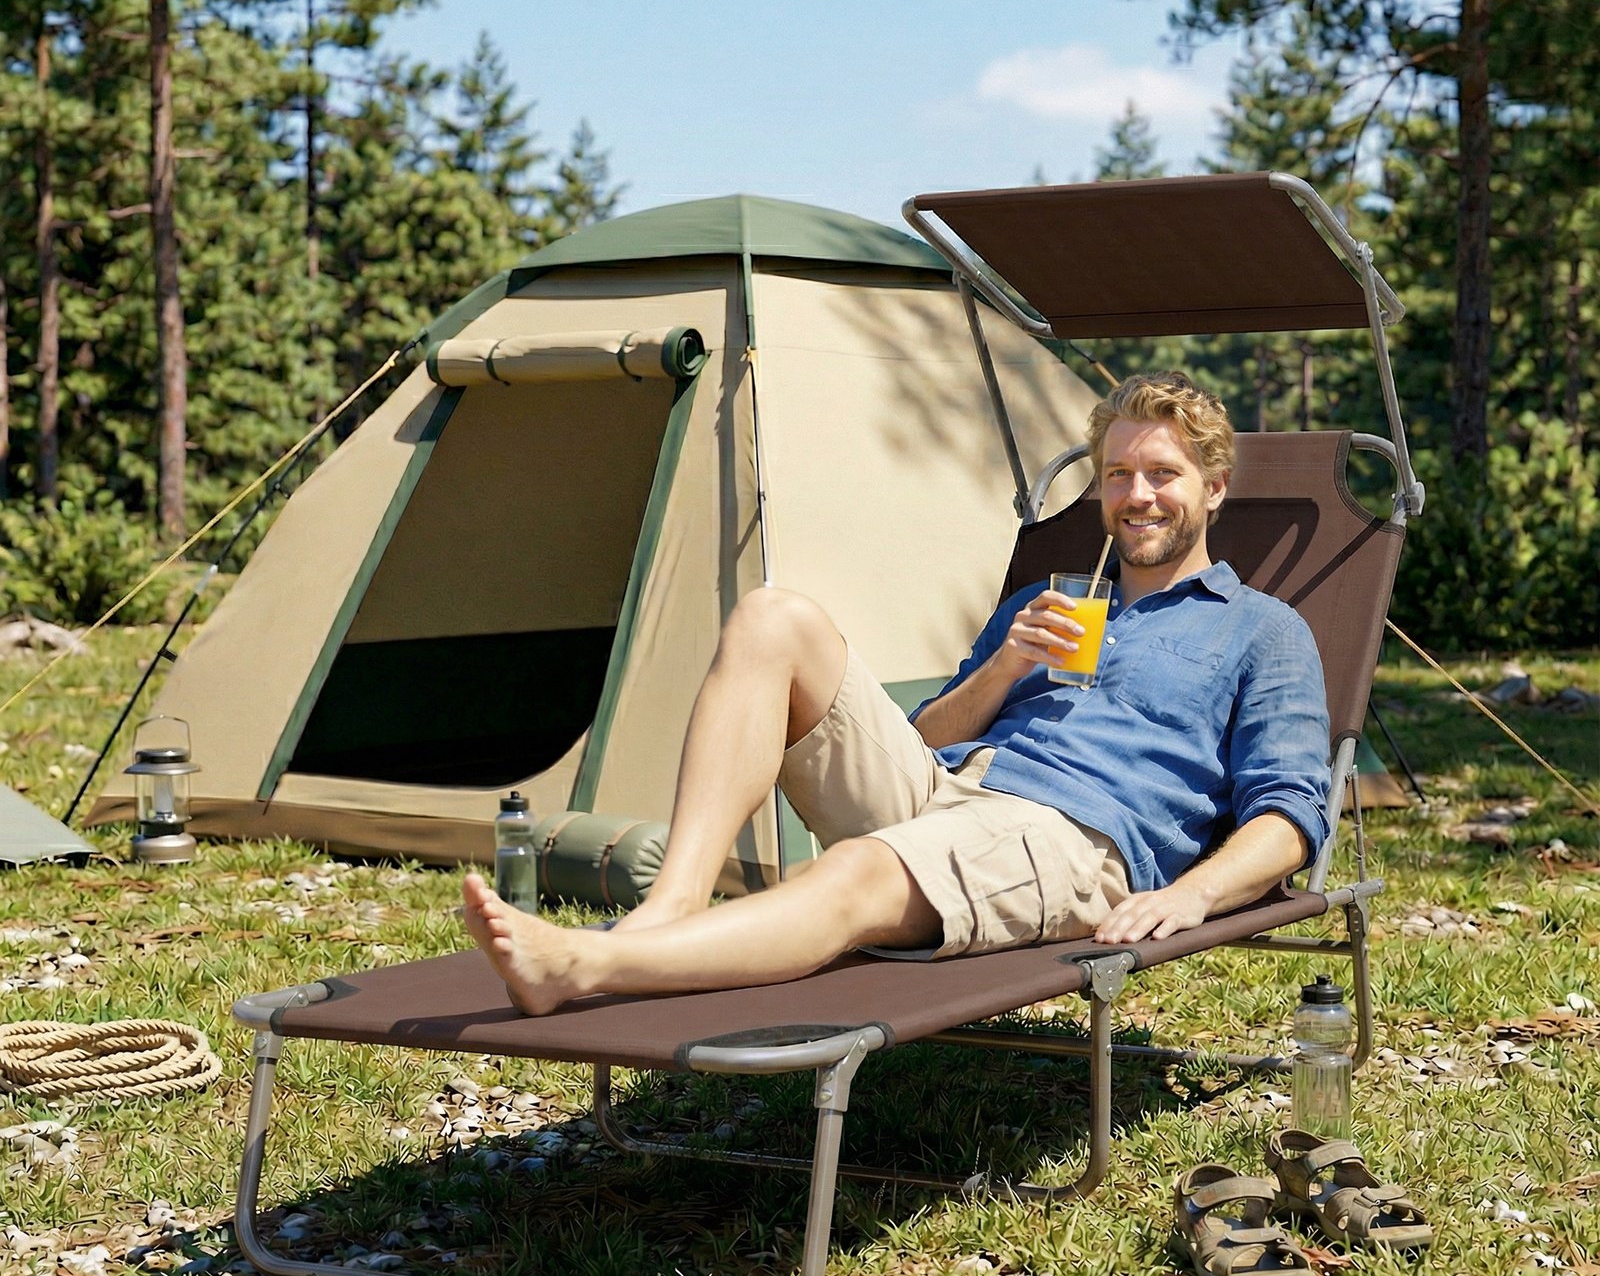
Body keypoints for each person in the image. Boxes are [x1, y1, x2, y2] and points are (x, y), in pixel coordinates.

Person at [464, 371, 1331, 1016]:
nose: (1136, 495)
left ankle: (582, 969)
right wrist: (1004, 668)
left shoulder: (1262, 631)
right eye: (1116, 474)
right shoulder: (1049, 604)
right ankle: (675, 900)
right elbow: (927, 736)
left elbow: (1291, 813)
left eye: (1162, 474)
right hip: (947, 786)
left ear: (1214, 488)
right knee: (773, 617)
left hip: (1070, 835)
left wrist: (1190, 894)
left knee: (859, 870)